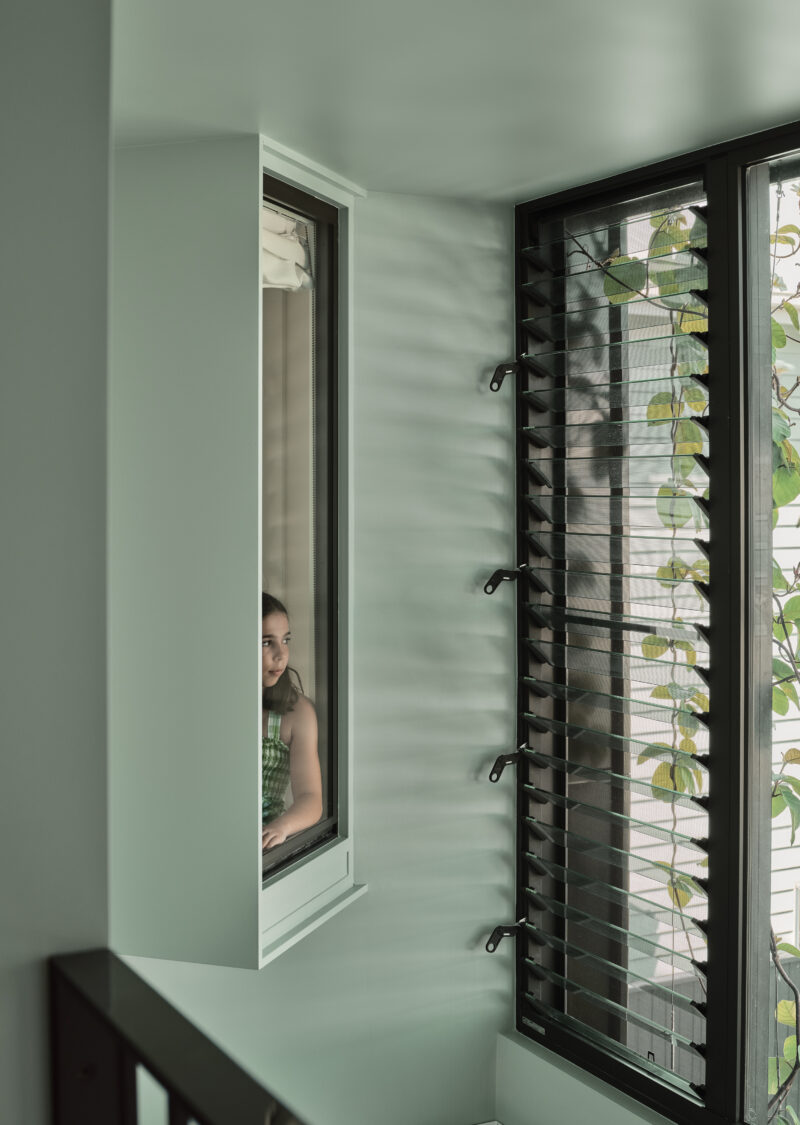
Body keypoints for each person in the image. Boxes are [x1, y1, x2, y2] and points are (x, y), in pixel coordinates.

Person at [261, 592, 323, 850]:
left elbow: (311, 797)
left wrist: (281, 827)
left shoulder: (297, 713)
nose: (281, 655)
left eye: (285, 640)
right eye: (266, 642)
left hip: (264, 848)